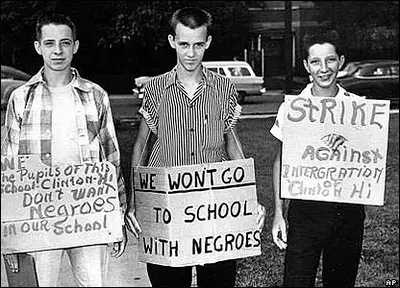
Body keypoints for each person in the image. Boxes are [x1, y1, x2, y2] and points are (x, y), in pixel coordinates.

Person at [124, 7, 266, 288]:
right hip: (166, 205)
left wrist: (249, 197)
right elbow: (142, 144)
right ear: (172, 41)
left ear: (208, 43)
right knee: (169, 281)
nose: (191, 53)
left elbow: (232, 141)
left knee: (218, 280)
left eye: (198, 44)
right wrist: (134, 200)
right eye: (184, 44)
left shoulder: (224, 88)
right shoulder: (154, 89)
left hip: (214, 205)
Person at [1, 12, 127, 287]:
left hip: (89, 210)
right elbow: (8, 165)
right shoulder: (21, 98)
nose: (57, 51)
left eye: (65, 43)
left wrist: (116, 218)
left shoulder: (95, 95)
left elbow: (111, 158)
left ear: (76, 46)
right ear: (38, 47)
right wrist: (9, 233)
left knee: (93, 283)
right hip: (39, 214)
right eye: (49, 43)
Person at [270, 29, 365, 287]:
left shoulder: (359, 107)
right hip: (306, 213)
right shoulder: (292, 108)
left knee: (341, 281)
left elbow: (368, 160)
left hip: (347, 212)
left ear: (341, 61)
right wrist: (279, 213)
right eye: (315, 62)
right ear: (306, 66)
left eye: (330, 60)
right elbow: (281, 161)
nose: (324, 69)